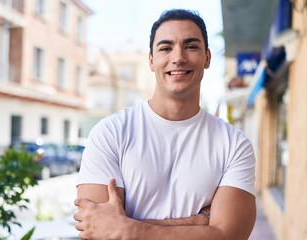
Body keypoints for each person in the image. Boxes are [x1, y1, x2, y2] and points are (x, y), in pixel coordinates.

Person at [74, 9, 256, 240]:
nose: (178, 57)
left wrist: (128, 229)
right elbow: (96, 231)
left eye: (191, 46)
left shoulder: (234, 144)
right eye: (165, 48)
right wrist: (200, 221)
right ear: (151, 60)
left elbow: (228, 235)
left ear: (207, 57)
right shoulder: (110, 133)